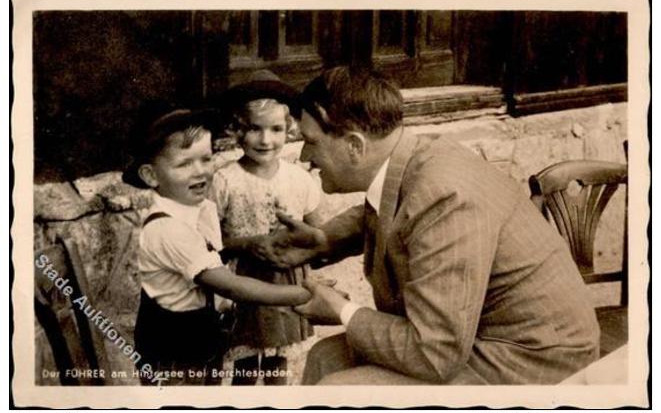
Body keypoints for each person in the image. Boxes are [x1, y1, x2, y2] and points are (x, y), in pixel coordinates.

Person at [267, 66, 601, 385]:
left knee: (337, 391)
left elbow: (435, 352)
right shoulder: (415, 156)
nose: (304, 157)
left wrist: (342, 311)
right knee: (325, 356)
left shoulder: (445, 195)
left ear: (355, 146)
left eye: (311, 141)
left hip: (532, 360)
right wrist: (326, 239)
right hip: (480, 339)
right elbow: (392, 201)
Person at [122, 109, 311, 385]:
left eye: (206, 158)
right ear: (151, 176)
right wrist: (301, 295)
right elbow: (228, 285)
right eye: (184, 164)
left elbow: (217, 260)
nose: (200, 171)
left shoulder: (202, 209)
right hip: (174, 353)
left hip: (199, 337)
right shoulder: (168, 229)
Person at [209, 70, 323, 385]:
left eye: (275, 129)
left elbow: (318, 235)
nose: (265, 140)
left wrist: (298, 241)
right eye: (255, 129)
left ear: (289, 130)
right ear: (237, 131)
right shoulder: (225, 180)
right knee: (245, 363)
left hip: (285, 277)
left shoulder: (298, 178)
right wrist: (245, 244)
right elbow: (208, 242)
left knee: (277, 360)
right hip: (241, 280)